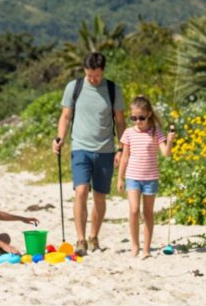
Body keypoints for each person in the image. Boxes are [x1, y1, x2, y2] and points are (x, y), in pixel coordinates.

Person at [53, 51, 126, 256]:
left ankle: (94, 236)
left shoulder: (112, 89)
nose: (92, 79)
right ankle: (80, 239)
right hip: (80, 148)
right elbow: (65, 116)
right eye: (89, 75)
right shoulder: (73, 87)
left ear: (103, 71)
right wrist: (60, 138)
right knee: (81, 191)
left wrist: (121, 148)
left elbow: (120, 121)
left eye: (96, 75)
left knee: (100, 197)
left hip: (105, 150)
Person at [116, 96, 176, 258]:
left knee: (148, 213)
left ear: (148, 114)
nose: (137, 121)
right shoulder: (129, 133)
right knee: (134, 210)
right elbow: (125, 157)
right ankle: (135, 246)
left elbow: (166, 153)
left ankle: (146, 249)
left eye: (141, 117)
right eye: (133, 118)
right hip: (132, 177)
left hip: (151, 178)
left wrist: (170, 141)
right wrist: (120, 178)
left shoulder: (156, 131)